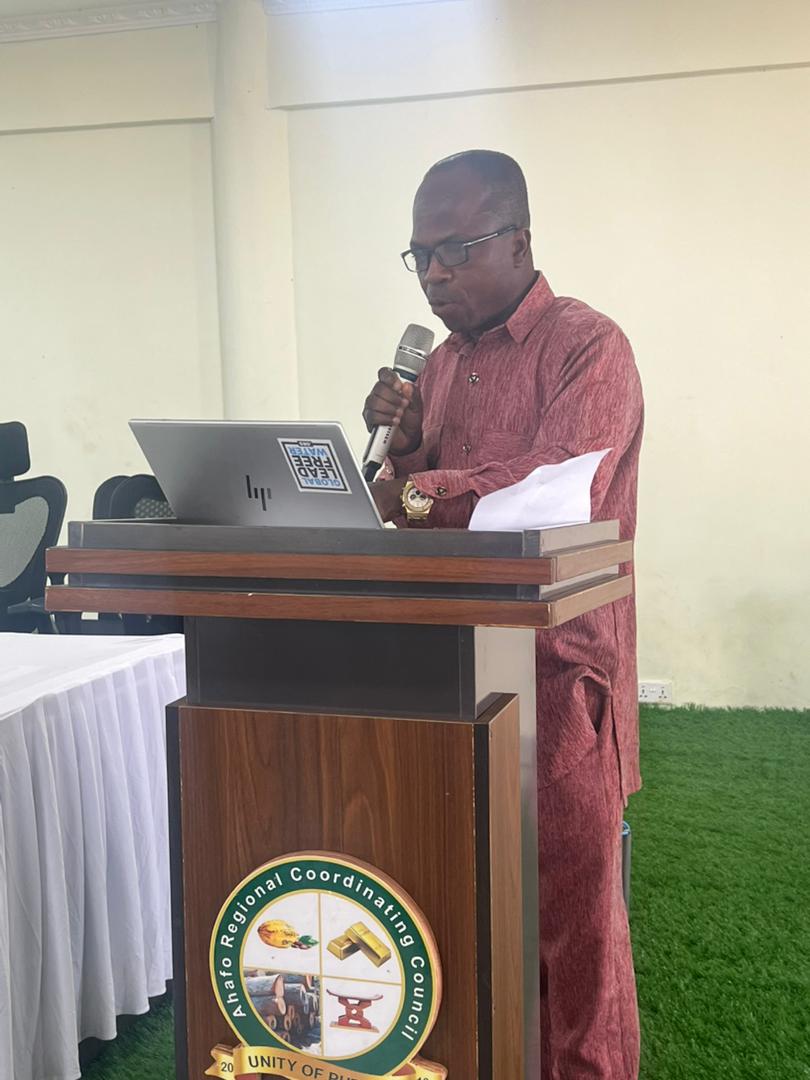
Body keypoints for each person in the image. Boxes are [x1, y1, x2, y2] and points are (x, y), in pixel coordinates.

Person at [363, 149, 643, 1079]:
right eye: (421, 255)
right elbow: (412, 506)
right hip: (448, 670)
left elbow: (557, 489)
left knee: (574, 932)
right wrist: (404, 450)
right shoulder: (439, 366)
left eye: (457, 249)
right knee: (460, 906)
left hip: (560, 679)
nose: (435, 274)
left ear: (519, 239)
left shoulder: (589, 346)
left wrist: (417, 491)